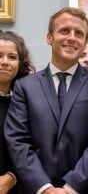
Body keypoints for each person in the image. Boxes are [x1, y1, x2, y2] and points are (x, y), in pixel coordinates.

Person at [4, 7, 88, 194]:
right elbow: (18, 141)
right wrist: (45, 188)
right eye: (64, 31)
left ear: (84, 42)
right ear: (49, 37)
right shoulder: (25, 86)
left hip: (86, 188)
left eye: (79, 33)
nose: (72, 37)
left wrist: (71, 187)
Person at [0, 31, 35, 193]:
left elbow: (35, 147)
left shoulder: (29, 103)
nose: (5, 62)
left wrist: (11, 177)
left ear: (21, 64)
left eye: (12, 57)